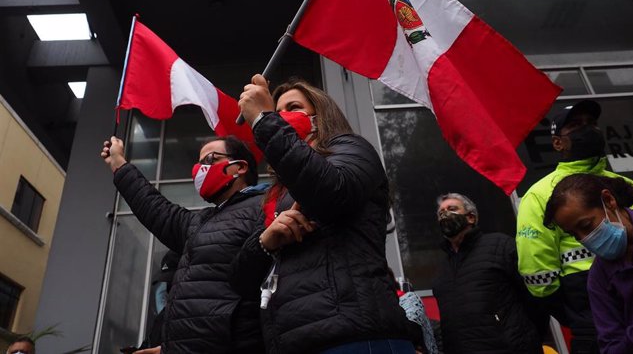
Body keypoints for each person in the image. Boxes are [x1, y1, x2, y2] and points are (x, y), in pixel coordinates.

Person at [234, 75, 414, 354]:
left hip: (353, 336)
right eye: (277, 112)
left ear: (320, 115)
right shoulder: (277, 193)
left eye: (292, 107)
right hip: (293, 341)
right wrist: (265, 242)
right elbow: (241, 278)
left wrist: (263, 120)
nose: (282, 117)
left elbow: (332, 193)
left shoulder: (352, 150)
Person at [100, 135, 266, 353]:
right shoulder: (201, 222)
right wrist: (118, 163)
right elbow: (155, 208)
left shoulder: (265, 208)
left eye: (211, 159)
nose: (201, 169)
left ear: (240, 167)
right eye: (199, 163)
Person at [515, 99, 633, 353]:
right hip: (589, 309)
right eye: (576, 126)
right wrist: (575, 312)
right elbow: (536, 271)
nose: (587, 129)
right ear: (557, 143)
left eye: (591, 124)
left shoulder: (632, 187)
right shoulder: (540, 194)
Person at [543, 173, 633, 353]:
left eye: (587, 225)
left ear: (609, 200)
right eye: (574, 235)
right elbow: (611, 348)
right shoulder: (599, 279)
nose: (584, 239)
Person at [432, 193, 541, 354]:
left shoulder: (500, 246)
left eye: (452, 209)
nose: (445, 215)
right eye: (441, 213)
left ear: (471, 217)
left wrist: (524, 340)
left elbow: (534, 298)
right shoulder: (443, 269)